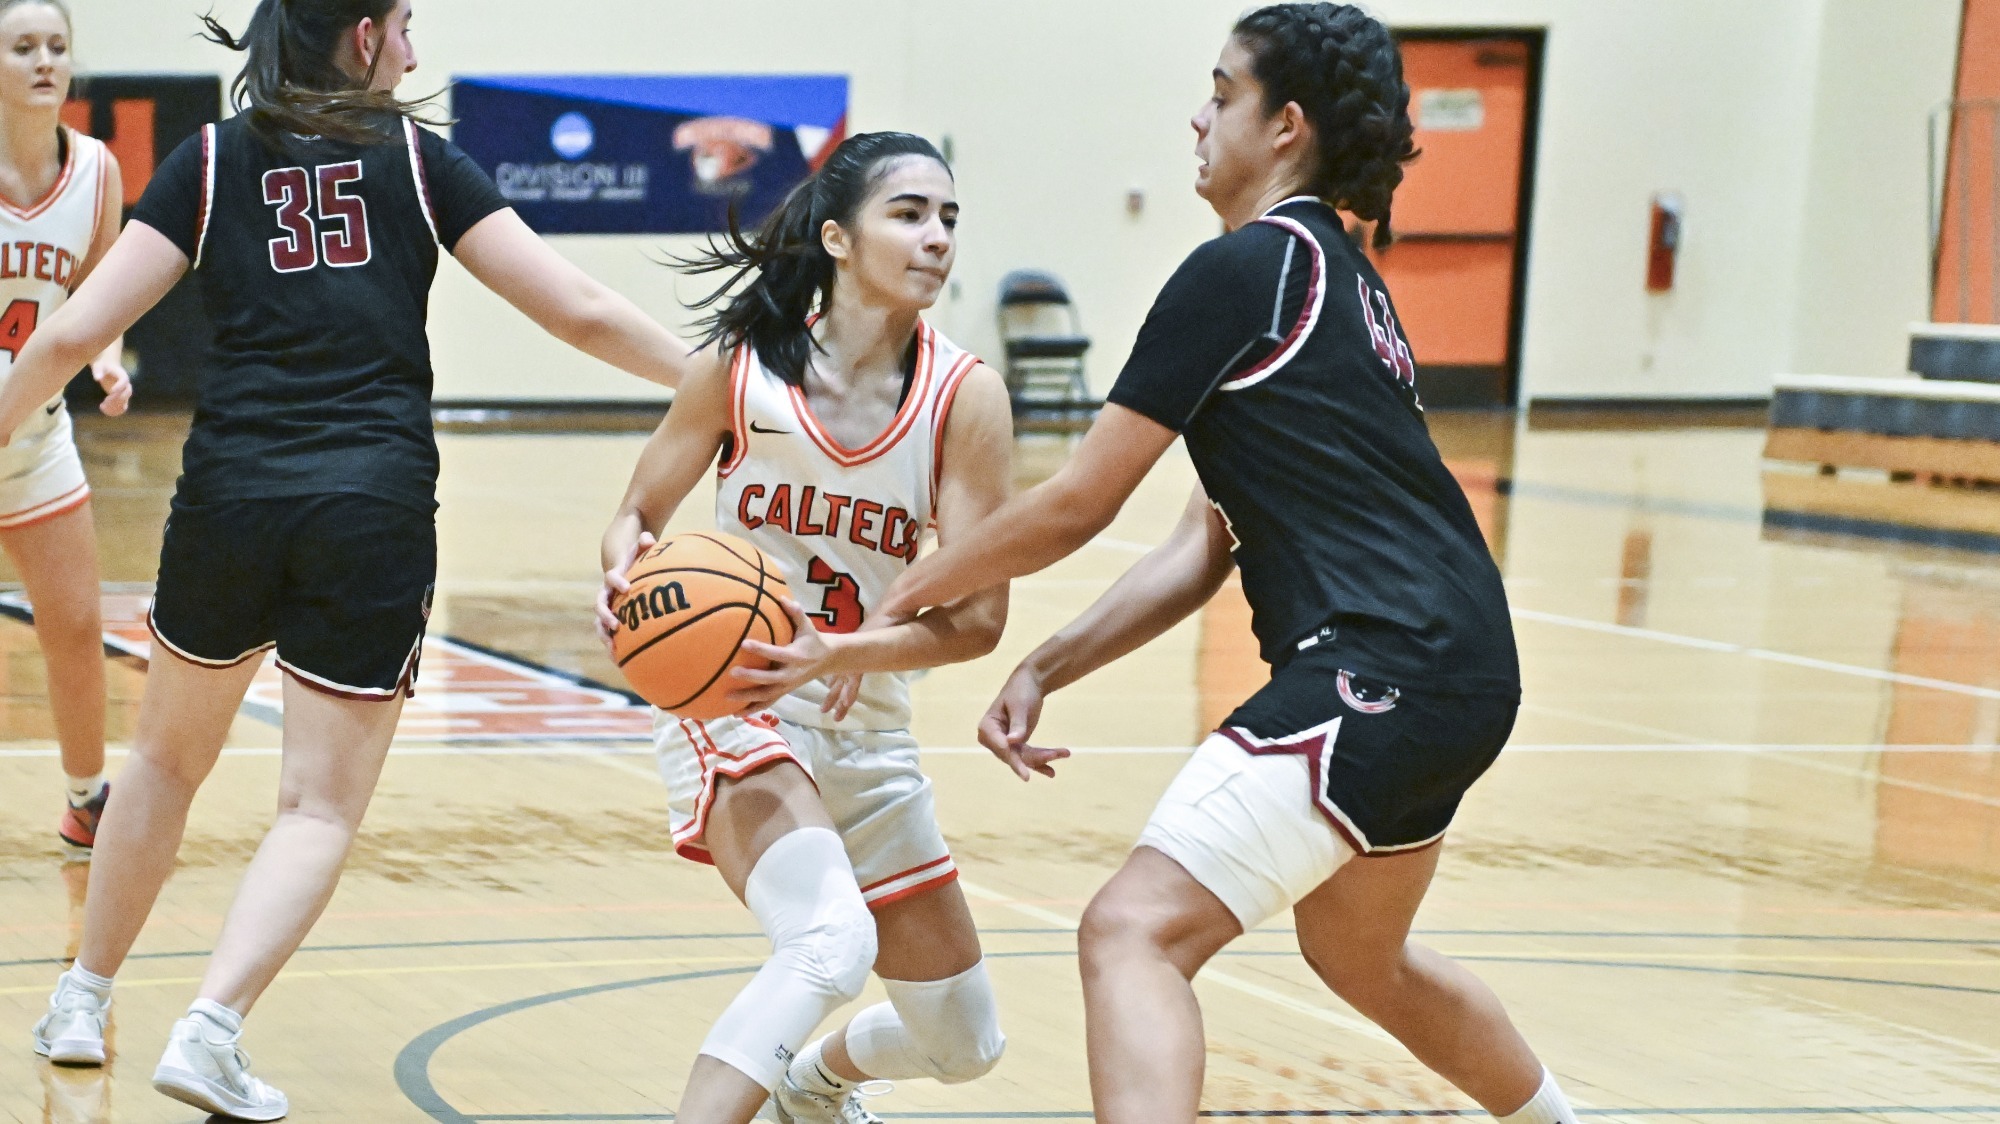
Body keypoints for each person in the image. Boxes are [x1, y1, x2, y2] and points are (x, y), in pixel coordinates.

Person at [862, 6, 1581, 1123]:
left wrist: (906, 584)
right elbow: (1204, 542)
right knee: (1361, 955)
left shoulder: (1242, 269)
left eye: (1221, 92)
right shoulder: (1336, 273)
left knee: (1130, 930)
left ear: (1284, 124)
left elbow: (1079, 499)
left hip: (1379, 661)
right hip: (1462, 671)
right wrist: (1047, 663)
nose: (1197, 117)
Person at [8, 1, 689, 1117]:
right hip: (370, 507)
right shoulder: (419, 160)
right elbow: (578, 309)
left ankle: (81, 999)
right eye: (405, 26)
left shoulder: (212, 157)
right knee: (317, 808)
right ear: (363, 35)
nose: (416, 51)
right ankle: (210, 1029)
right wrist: (717, 386)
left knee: (163, 765)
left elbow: (74, 333)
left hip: (230, 498)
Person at [596, 131, 1013, 1124]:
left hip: (869, 729)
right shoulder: (738, 368)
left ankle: (812, 1082)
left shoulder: (965, 396)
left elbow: (978, 620)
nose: (937, 236)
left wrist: (848, 651)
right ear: (836, 236)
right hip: (737, 703)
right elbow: (637, 512)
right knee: (829, 941)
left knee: (964, 1043)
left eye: (948, 217)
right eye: (908, 214)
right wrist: (622, 565)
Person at [0, 0, 134, 859]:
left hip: (35, 439)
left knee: (77, 627)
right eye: (23, 47)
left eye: (57, 46)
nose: (44, 60)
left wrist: (107, 361)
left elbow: (100, 295)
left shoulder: (95, 171)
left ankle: (87, 800)